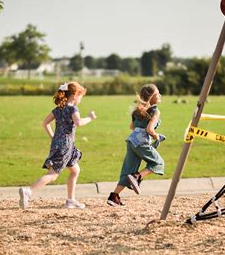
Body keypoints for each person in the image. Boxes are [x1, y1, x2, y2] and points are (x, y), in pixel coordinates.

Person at [19, 82, 96, 210]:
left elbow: (45, 123)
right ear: (75, 95)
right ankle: (28, 191)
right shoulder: (72, 109)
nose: (81, 99)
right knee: (53, 175)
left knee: (75, 170)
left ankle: (71, 200)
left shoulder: (58, 109)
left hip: (62, 145)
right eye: (81, 96)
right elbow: (78, 122)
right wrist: (90, 118)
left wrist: (54, 137)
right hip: (65, 146)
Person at [107, 84, 165, 207]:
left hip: (132, 141)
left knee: (127, 170)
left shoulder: (137, 110)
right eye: (157, 93)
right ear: (150, 97)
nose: (160, 95)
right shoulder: (155, 111)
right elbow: (149, 129)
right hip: (141, 142)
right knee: (158, 163)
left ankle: (114, 197)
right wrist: (156, 136)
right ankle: (137, 176)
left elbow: (132, 127)